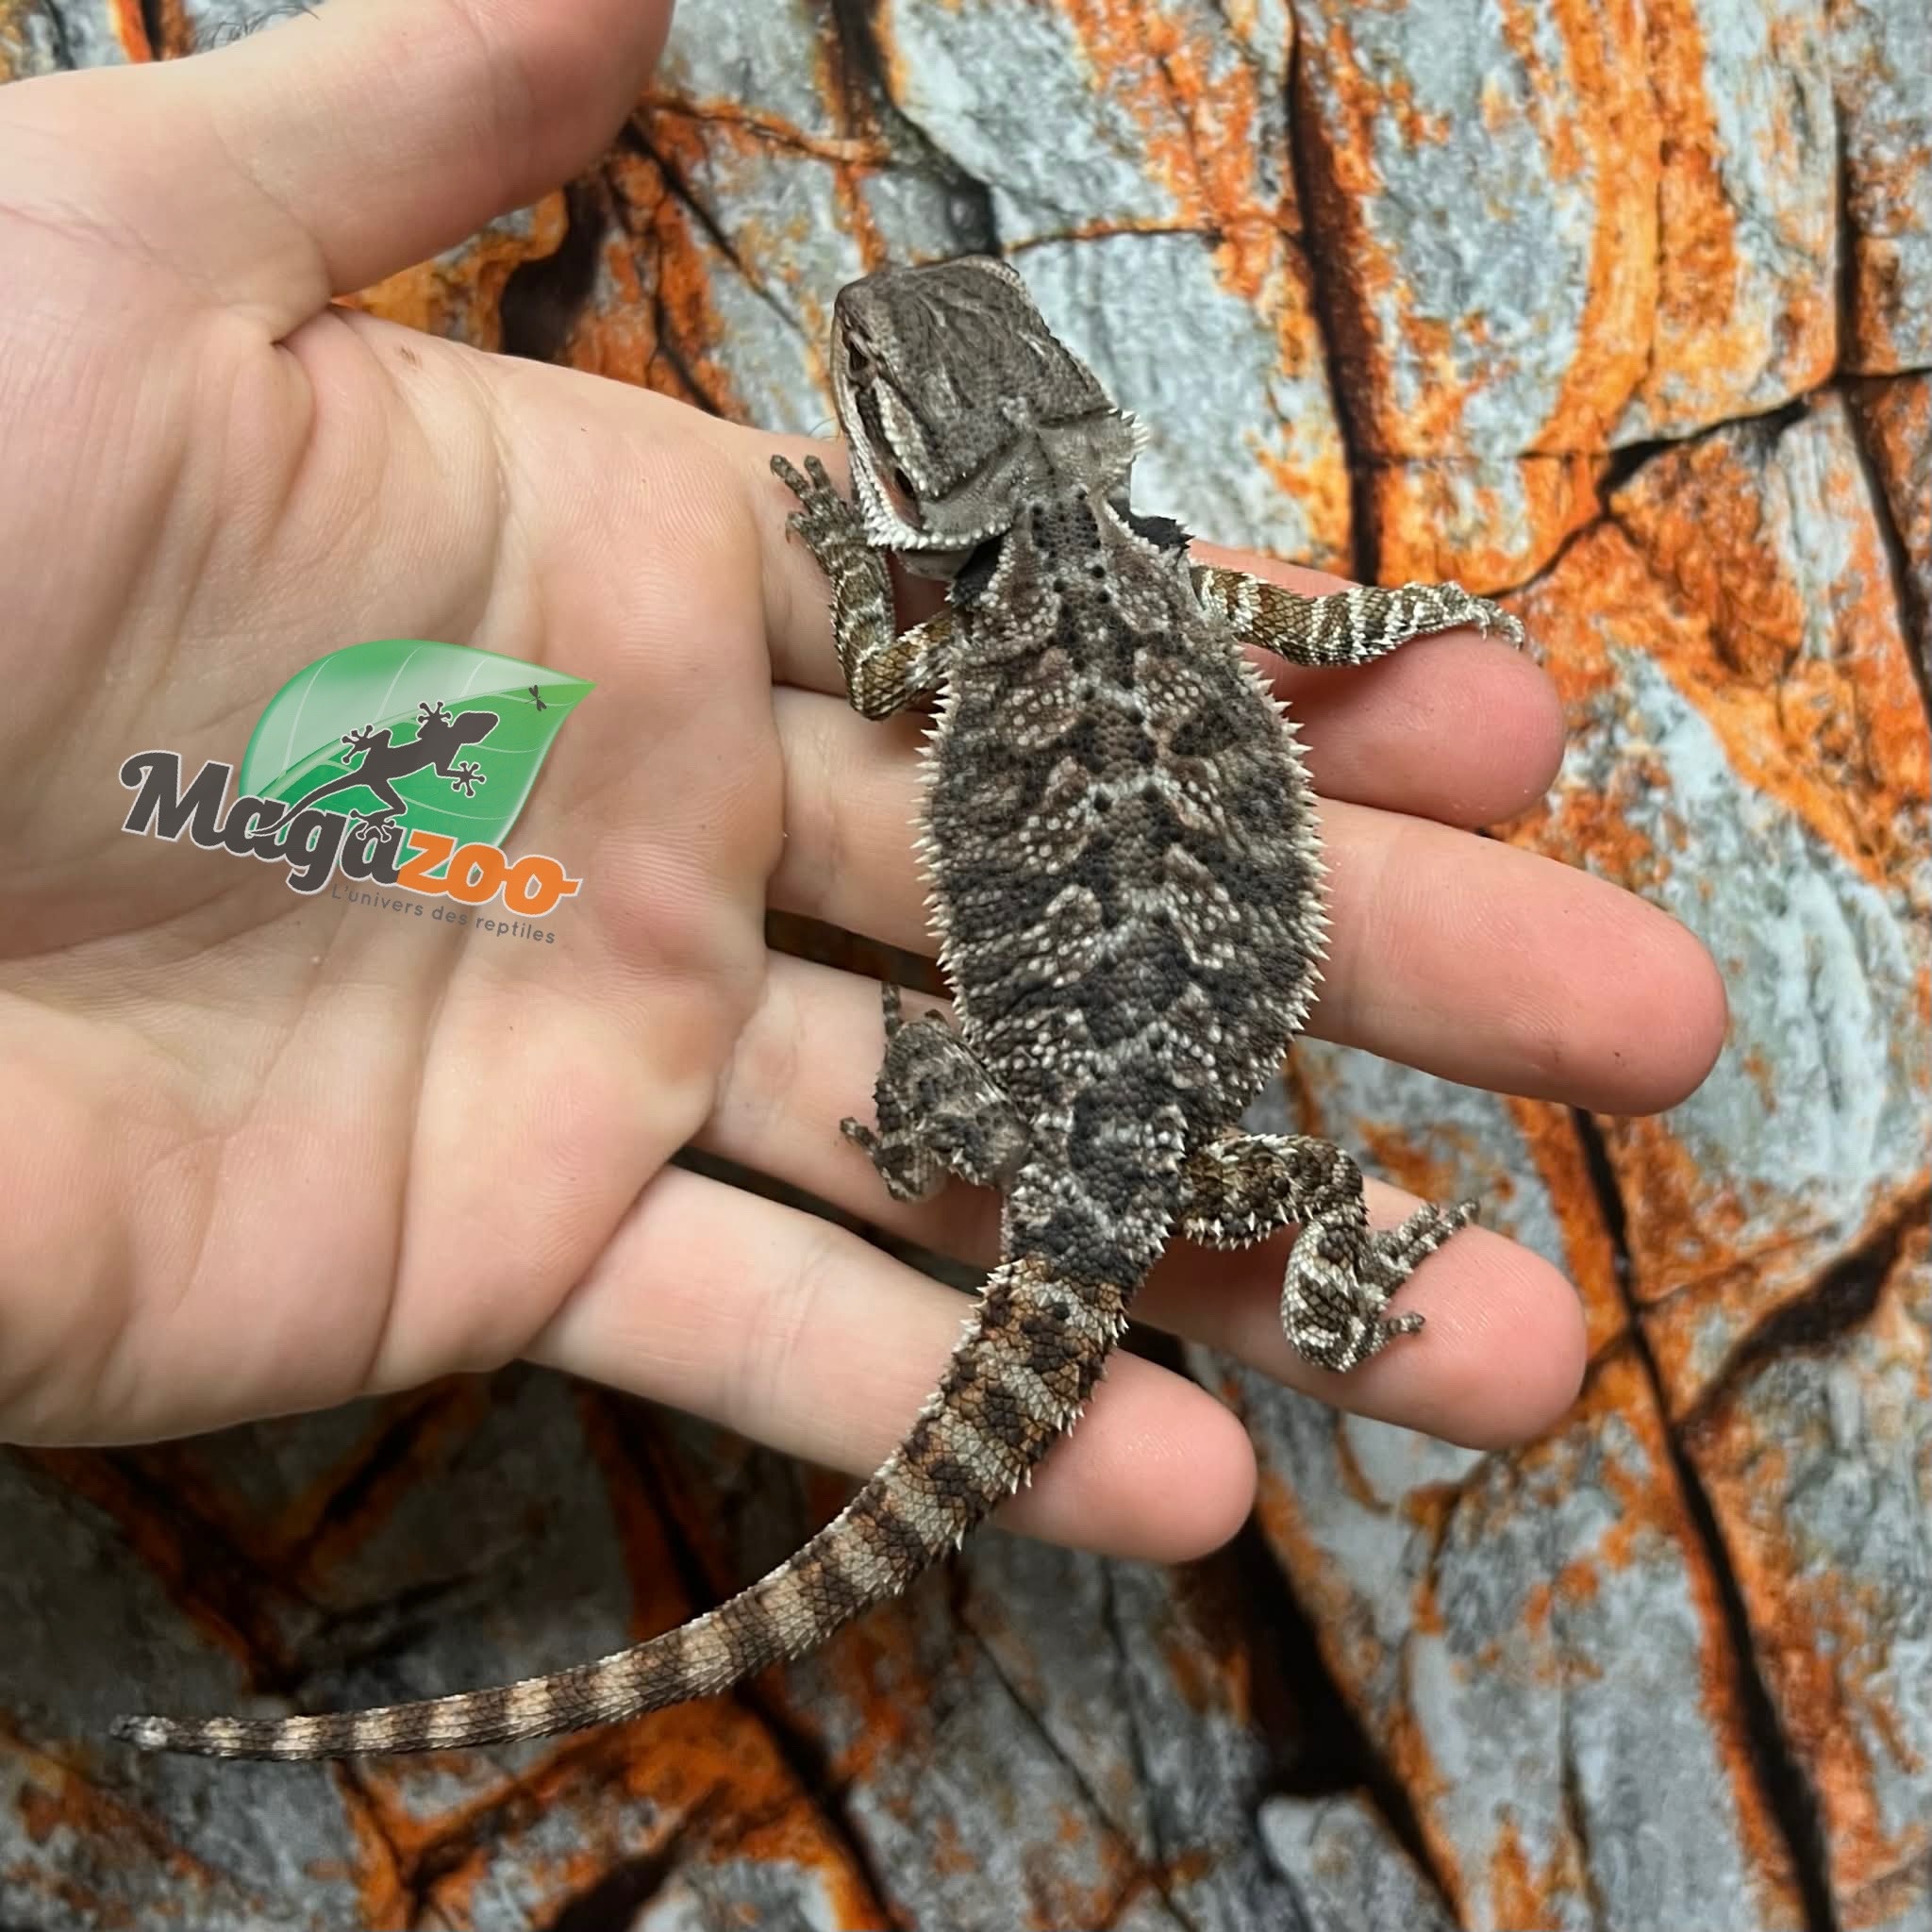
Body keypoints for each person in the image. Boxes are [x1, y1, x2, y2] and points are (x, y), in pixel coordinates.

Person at [0, 0, 1724, 1567]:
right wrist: (1420, 611)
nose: (864, 360)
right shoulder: (1189, 593)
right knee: (1329, 1196)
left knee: (1094, 1152)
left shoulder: (966, 639)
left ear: (914, 469)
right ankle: (1326, 1292)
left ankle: (938, 1142)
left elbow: (885, 680)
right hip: (1114, 1127)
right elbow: (1340, 633)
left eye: (873, 393)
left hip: (1068, 1124)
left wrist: (843, 560)